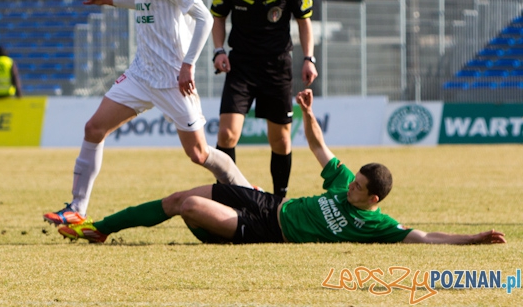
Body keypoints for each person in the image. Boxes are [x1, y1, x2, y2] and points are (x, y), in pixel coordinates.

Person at [58, 89, 506, 246]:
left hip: (266, 231)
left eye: (357, 189)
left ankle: (205, 230)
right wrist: (308, 115)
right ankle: (98, 228)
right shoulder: (345, 181)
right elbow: (319, 147)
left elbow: (424, 237)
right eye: (352, 182)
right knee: (177, 197)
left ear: (373, 199)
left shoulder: (377, 226)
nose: (349, 188)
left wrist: (474, 238)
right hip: (267, 203)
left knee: (189, 207)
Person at [43, 0, 252, 227]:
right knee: (94, 129)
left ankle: (251, 194)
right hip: (141, 75)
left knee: (198, 153)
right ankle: (77, 208)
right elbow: (144, 2)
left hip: (173, 79)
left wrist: (188, 65)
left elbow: (205, 18)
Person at [210, 0, 317, 198]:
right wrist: (219, 51)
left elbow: (304, 22)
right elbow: (218, 17)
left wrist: (308, 58)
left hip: (277, 67)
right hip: (240, 66)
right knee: (226, 135)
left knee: (280, 140)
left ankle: (279, 200)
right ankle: (228, 196)